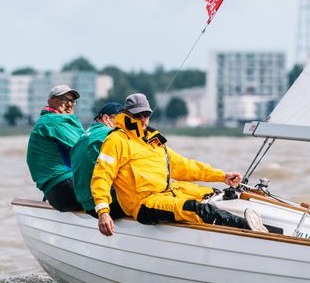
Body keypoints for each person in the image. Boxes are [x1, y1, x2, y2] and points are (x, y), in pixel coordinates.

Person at [91, 93, 267, 236]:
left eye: (146, 115)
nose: (143, 119)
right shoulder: (116, 140)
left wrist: (222, 176)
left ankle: (261, 224)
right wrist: (103, 211)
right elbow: (101, 176)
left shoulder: (153, 140)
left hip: (169, 192)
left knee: (215, 195)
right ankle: (252, 230)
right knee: (197, 209)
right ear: (127, 115)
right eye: (138, 115)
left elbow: (184, 166)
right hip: (144, 204)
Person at [26, 84, 84, 211]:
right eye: (65, 99)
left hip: (55, 194)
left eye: (73, 101)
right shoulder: (55, 121)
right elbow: (86, 148)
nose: (70, 104)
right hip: (66, 187)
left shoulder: (46, 121)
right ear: (51, 101)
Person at [70, 101, 126, 218]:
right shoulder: (112, 134)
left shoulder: (85, 135)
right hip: (105, 203)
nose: (125, 124)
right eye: (121, 119)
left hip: (85, 202)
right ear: (106, 118)